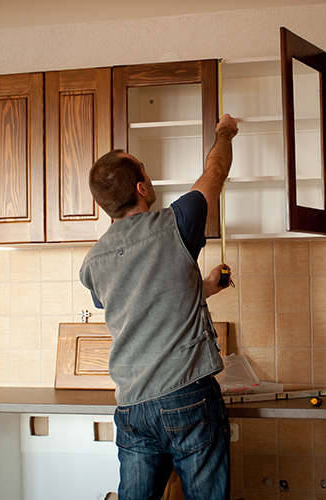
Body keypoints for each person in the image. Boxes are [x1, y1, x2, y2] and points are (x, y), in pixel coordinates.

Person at [79, 113, 239, 500]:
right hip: (187, 398)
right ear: (142, 187)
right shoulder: (176, 224)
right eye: (146, 173)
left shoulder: (93, 263)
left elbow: (142, 303)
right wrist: (224, 134)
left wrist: (201, 289)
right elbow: (215, 172)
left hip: (133, 410)